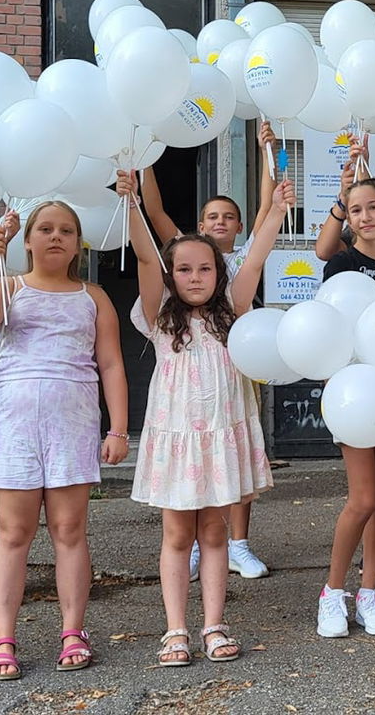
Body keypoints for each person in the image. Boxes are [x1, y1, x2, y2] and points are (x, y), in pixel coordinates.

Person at [120, 172, 291, 666]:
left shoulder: (233, 311)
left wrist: (277, 209)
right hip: (177, 441)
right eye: (185, 270)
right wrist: (132, 203)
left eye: (205, 269)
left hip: (219, 439)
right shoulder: (159, 316)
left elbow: (255, 257)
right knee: (177, 536)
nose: (195, 277)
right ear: (173, 276)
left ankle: (214, 625)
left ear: (219, 273)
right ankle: (176, 630)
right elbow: (149, 256)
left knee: (215, 533)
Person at [0, 202, 130, 681]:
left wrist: (118, 428)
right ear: (28, 239)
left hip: (74, 425)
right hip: (16, 425)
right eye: (45, 229)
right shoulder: (8, 287)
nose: (55, 236)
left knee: (69, 530)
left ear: (79, 241)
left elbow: (112, 365)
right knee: (12, 534)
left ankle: (73, 630)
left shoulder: (94, 296)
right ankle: (2, 637)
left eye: (66, 230)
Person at [141, 122, 281, 580]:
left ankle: (233, 544)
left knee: (230, 473)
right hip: (181, 414)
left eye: (229, 217)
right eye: (185, 268)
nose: (196, 274)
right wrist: (138, 170)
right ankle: (198, 551)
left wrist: (271, 164)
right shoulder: (174, 284)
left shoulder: (234, 280)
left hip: (227, 388)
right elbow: (150, 239)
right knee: (187, 502)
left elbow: (260, 243)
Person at [313, 176, 375, 637]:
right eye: (356, 210)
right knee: (364, 497)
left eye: (374, 208)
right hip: (354, 393)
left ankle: (370, 592)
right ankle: (332, 593)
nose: (366, 217)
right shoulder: (342, 265)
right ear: (347, 218)